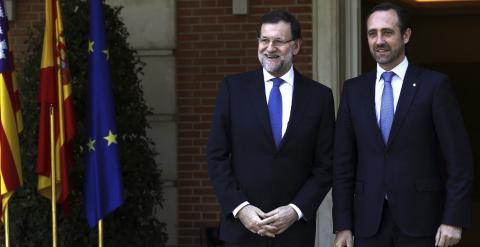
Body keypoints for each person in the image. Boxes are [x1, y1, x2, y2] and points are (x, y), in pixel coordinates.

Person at [333, 2, 473, 247]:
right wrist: (343, 225)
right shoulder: (353, 90)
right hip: (368, 223)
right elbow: (343, 163)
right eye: (372, 33)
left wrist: (454, 218)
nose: (379, 40)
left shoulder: (434, 86)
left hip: (422, 220)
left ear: (405, 35)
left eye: (387, 32)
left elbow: (459, 160)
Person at [207, 10, 335, 247]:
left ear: (296, 46)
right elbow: (216, 157)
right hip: (241, 230)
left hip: (295, 232)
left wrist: (295, 210)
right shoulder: (233, 90)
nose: (270, 48)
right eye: (264, 40)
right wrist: (241, 209)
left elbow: (325, 166)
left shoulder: (320, 97)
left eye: (279, 41)